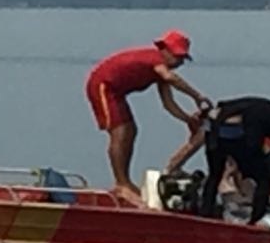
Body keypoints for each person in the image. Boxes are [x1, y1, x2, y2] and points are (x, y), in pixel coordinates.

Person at [85, 29, 212, 207]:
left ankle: (125, 182)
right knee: (121, 131)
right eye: (177, 57)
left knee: (131, 131)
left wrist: (187, 119)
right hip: (104, 86)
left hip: (117, 93)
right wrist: (197, 96)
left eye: (182, 59)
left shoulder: (159, 72)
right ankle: (121, 184)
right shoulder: (155, 59)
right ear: (165, 50)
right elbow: (171, 78)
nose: (179, 62)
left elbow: (168, 104)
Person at [198, 98, 270, 224]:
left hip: (214, 128)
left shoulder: (267, 105)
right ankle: (255, 221)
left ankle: (205, 215)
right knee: (265, 181)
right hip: (235, 135)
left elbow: (226, 105)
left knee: (215, 174)